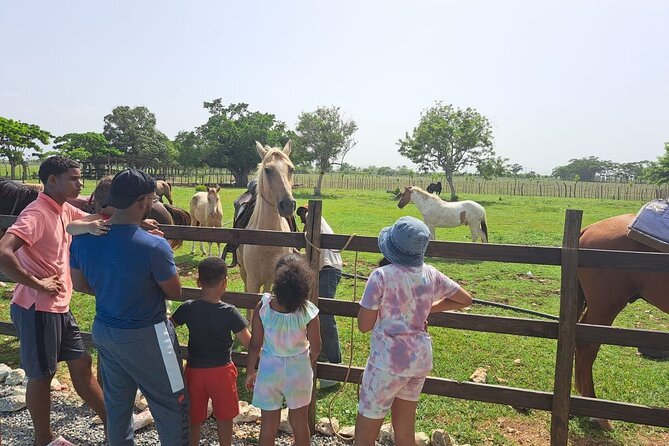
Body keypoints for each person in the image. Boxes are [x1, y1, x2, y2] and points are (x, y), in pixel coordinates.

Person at [69, 168, 189, 445]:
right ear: (143, 201)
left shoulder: (84, 237)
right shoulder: (154, 246)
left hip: (106, 329)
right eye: (152, 199)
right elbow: (174, 290)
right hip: (151, 334)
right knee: (172, 402)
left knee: (117, 404)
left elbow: (80, 284)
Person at [0, 156, 108, 446]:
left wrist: (137, 221)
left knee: (82, 364)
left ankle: (114, 427)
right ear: (52, 180)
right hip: (37, 307)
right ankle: (43, 439)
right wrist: (37, 283)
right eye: (73, 178)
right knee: (42, 375)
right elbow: (4, 252)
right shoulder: (36, 213)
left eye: (80, 177)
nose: (80, 183)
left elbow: (90, 219)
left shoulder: (62, 209)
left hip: (58, 305)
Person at [354, 216, 473, 446]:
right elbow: (465, 299)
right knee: (405, 433)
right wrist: (427, 309)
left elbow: (363, 325)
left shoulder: (380, 276)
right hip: (418, 360)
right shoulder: (431, 273)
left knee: (364, 438)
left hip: (387, 363)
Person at [170, 257, 251, 446]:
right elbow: (248, 342)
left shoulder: (188, 308)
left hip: (195, 372)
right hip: (222, 372)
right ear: (225, 282)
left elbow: (169, 326)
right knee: (225, 417)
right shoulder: (230, 312)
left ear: (199, 282)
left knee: (194, 417)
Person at [245, 254, 322, 446]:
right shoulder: (308, 311)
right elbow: (317, 346)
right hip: (299, 370)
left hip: (270, 369)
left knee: (268, 427)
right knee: (300, 424)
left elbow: (254, 344)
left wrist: (250, 371)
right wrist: (307, 360)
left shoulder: (263, 307)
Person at [296, 205, 343, 388]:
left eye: (302, 218)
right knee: (316, 314)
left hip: (327, 269)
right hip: (325, 268)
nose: (302, 222)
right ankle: (323, 361)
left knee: (324, 316)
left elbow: (311, 252)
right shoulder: (318, 222)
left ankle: (334, 366)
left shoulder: (312, 220)